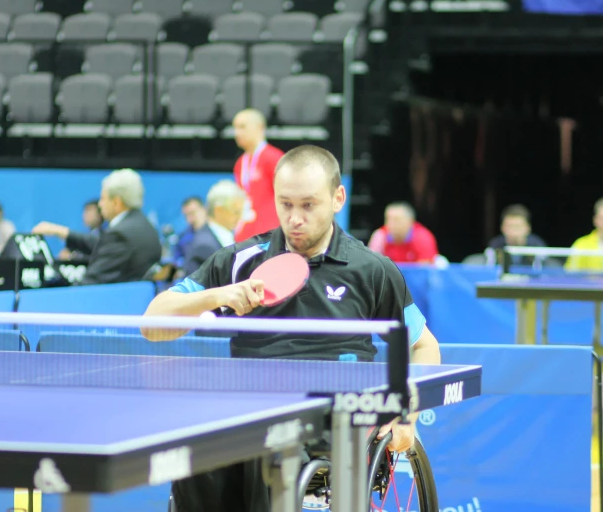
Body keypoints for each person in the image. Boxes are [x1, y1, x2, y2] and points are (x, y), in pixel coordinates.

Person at [142, 145, 441, 512]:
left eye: (308, 205)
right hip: (249, 405)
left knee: (271, 449)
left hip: (335, 416)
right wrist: (219, 295)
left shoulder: (372, 270)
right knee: (193, 452)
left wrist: (403, 409)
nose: (295, 218)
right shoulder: (241, 261)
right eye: (285, 204)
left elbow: (425, 346)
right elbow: (153, 325)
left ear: (337, 198)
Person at [32, 169, 162, 285]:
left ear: (117, 202)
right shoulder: (142, 225)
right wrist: (62, 232)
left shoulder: (120, 235)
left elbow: (91, 283)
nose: (100, 205)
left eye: (103, 198)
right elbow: (103, 245)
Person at [231, 108, 284, 243]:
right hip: (246, 234)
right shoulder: (240, 163)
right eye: (235, 128)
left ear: (260, 127)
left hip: (270, 235)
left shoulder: (274, 158)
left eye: (242, 127)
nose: (237, 133)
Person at [183, 180, 246, 276]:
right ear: (219, 210)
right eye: (235, 212)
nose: (239, 217)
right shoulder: (204, 246)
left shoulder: (219, 237)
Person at [367, 202, 439, 263]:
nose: (391, 224)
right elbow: (372, 265)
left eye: (397, 220)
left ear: (410, 221)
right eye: (388, 219)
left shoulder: (422, 237)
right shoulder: (380, 235)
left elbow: (424, 270)